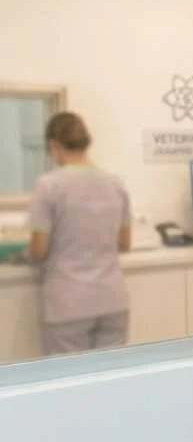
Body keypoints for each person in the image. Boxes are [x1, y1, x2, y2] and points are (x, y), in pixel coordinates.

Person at [27, 112, 132, 355]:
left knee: (69, 383)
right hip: (112, 301)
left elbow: (39, 250)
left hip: (68, 305)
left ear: (54, 145)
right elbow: (125, 243)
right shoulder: (115, 183)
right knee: (110, 379)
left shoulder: (49, 186)